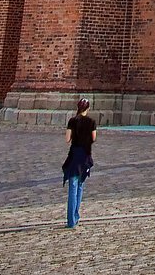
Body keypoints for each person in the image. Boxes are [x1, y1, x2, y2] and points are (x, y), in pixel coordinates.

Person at [62, 97, 97, 227]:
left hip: (74, 155)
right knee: (80, 185)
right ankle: (76, 215)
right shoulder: (91, 122)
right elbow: (94, 138)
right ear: (88, 108)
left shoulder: (72, 121)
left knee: (73, 187)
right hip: (85, 155)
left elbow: (67, 139)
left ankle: (71, 220)